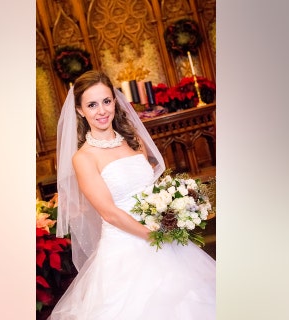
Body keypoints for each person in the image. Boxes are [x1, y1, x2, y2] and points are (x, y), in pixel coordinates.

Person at [50, 70, 215, 319]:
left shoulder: (133, 139)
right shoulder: (83, 158)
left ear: (115, 101)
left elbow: (151, 186)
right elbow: (109, 213)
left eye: (106, 101)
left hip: (164, 235)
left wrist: (174, 208)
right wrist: (154, 235)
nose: (102, 111)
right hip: (127, 248)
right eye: (92, 105)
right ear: (81, 111)